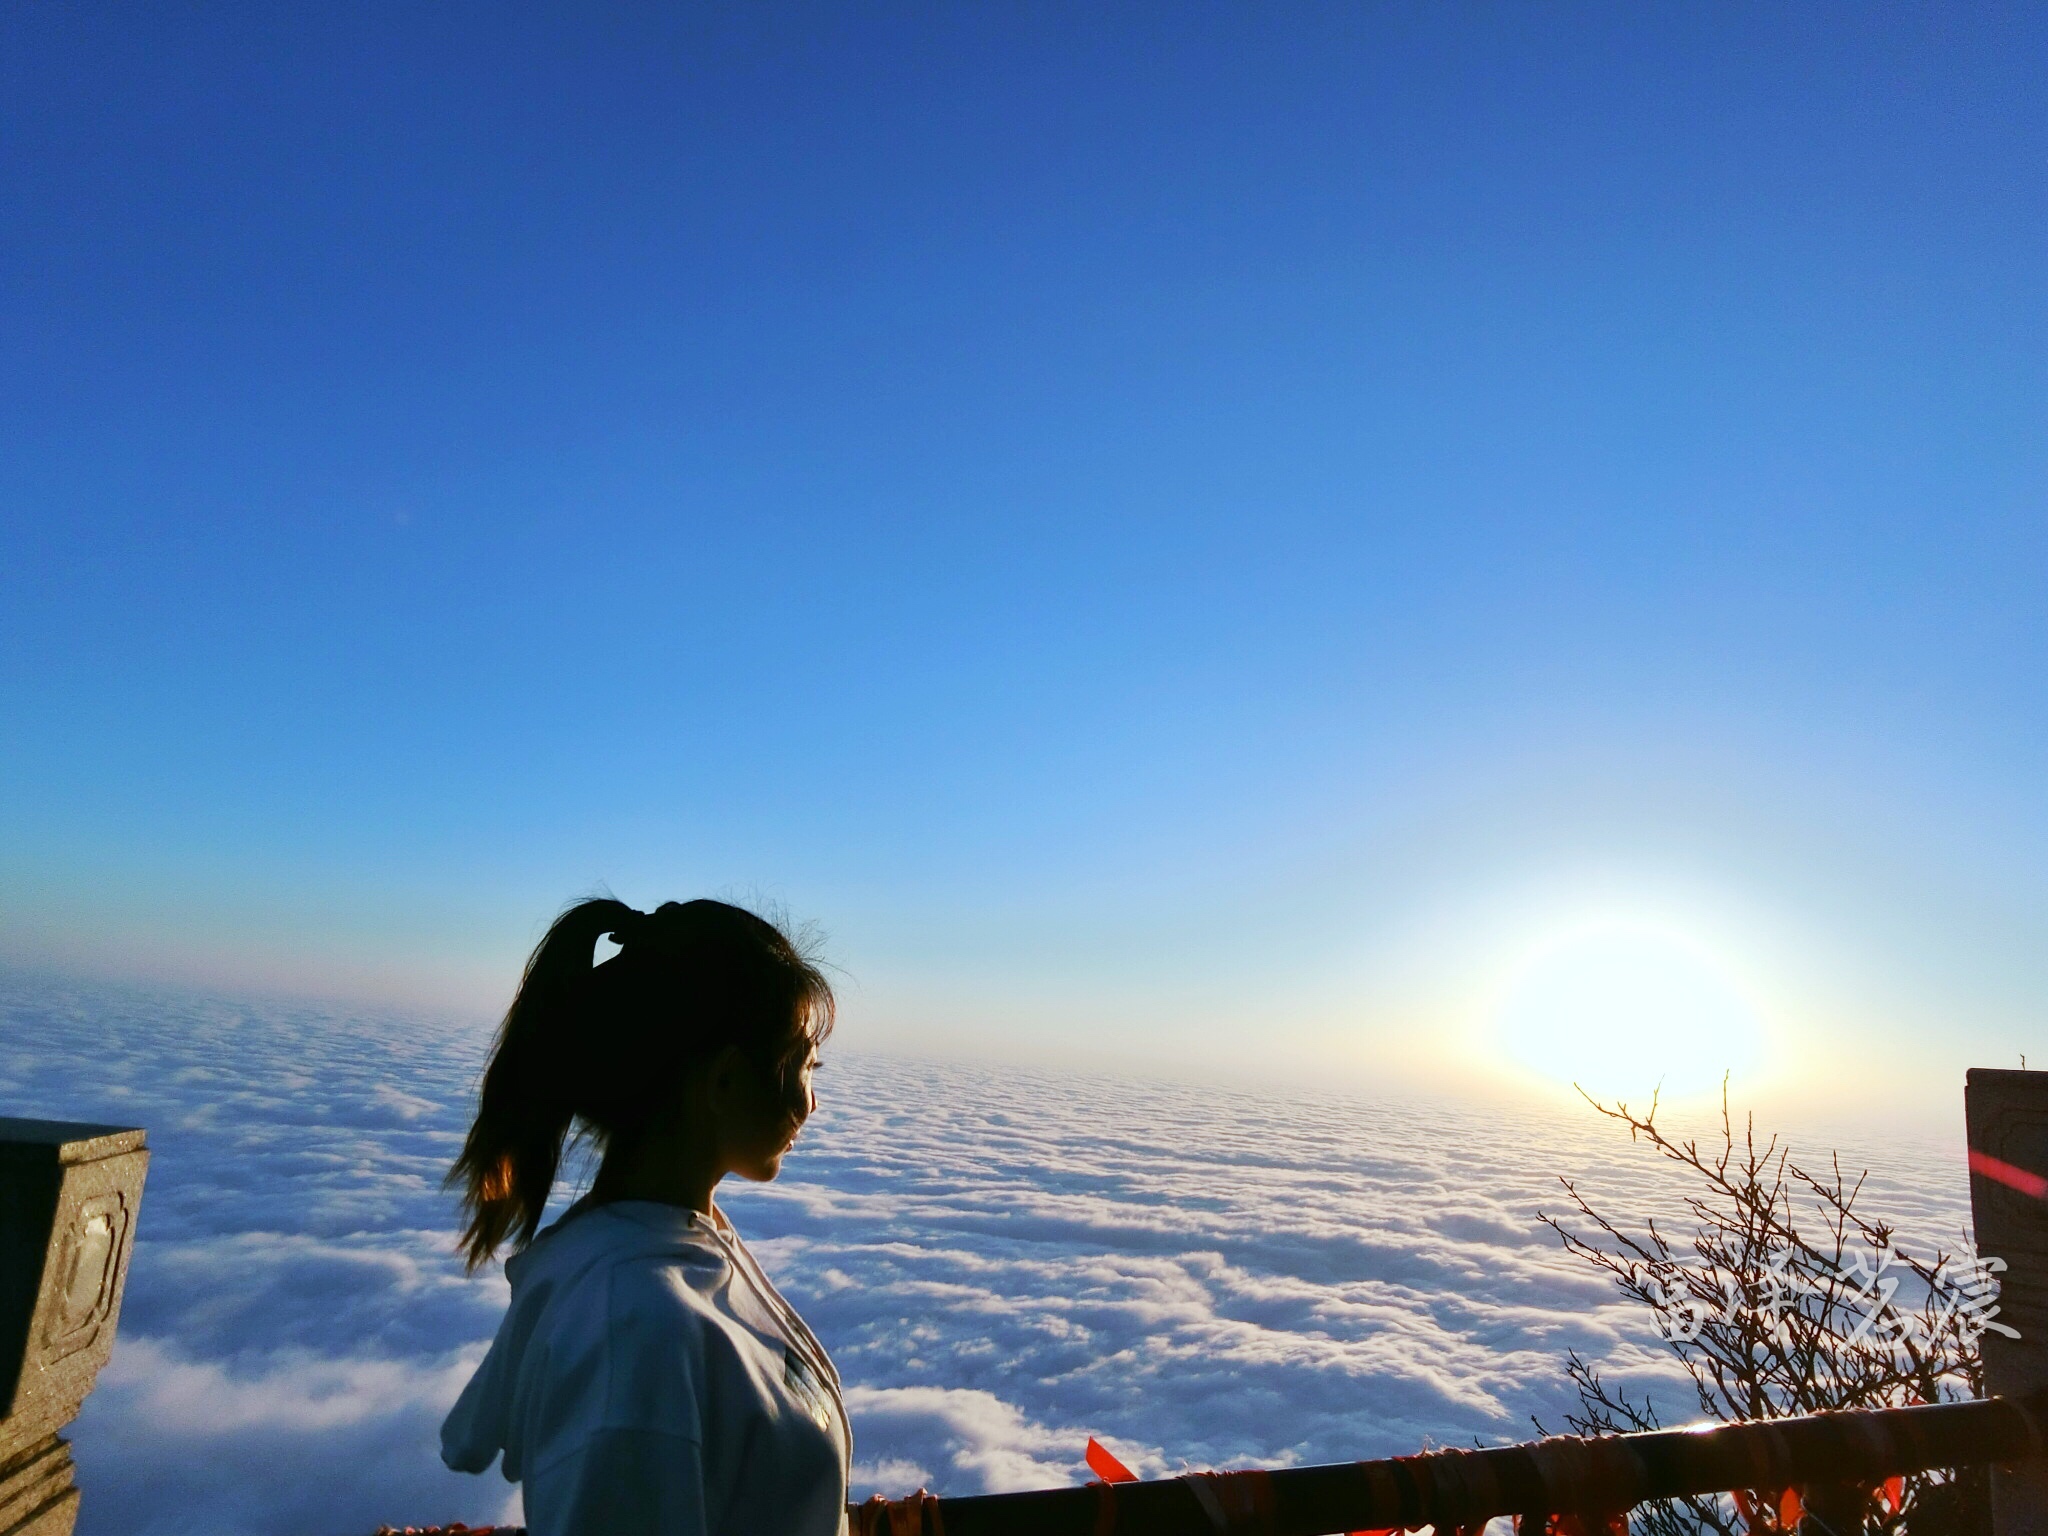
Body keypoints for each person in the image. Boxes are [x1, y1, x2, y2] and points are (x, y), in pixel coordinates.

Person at [439, 897, 849, 1536]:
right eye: (803, 1065)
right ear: (724, 1081)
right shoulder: (634, 1331)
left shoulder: (672, 1243)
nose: (812, 1101)